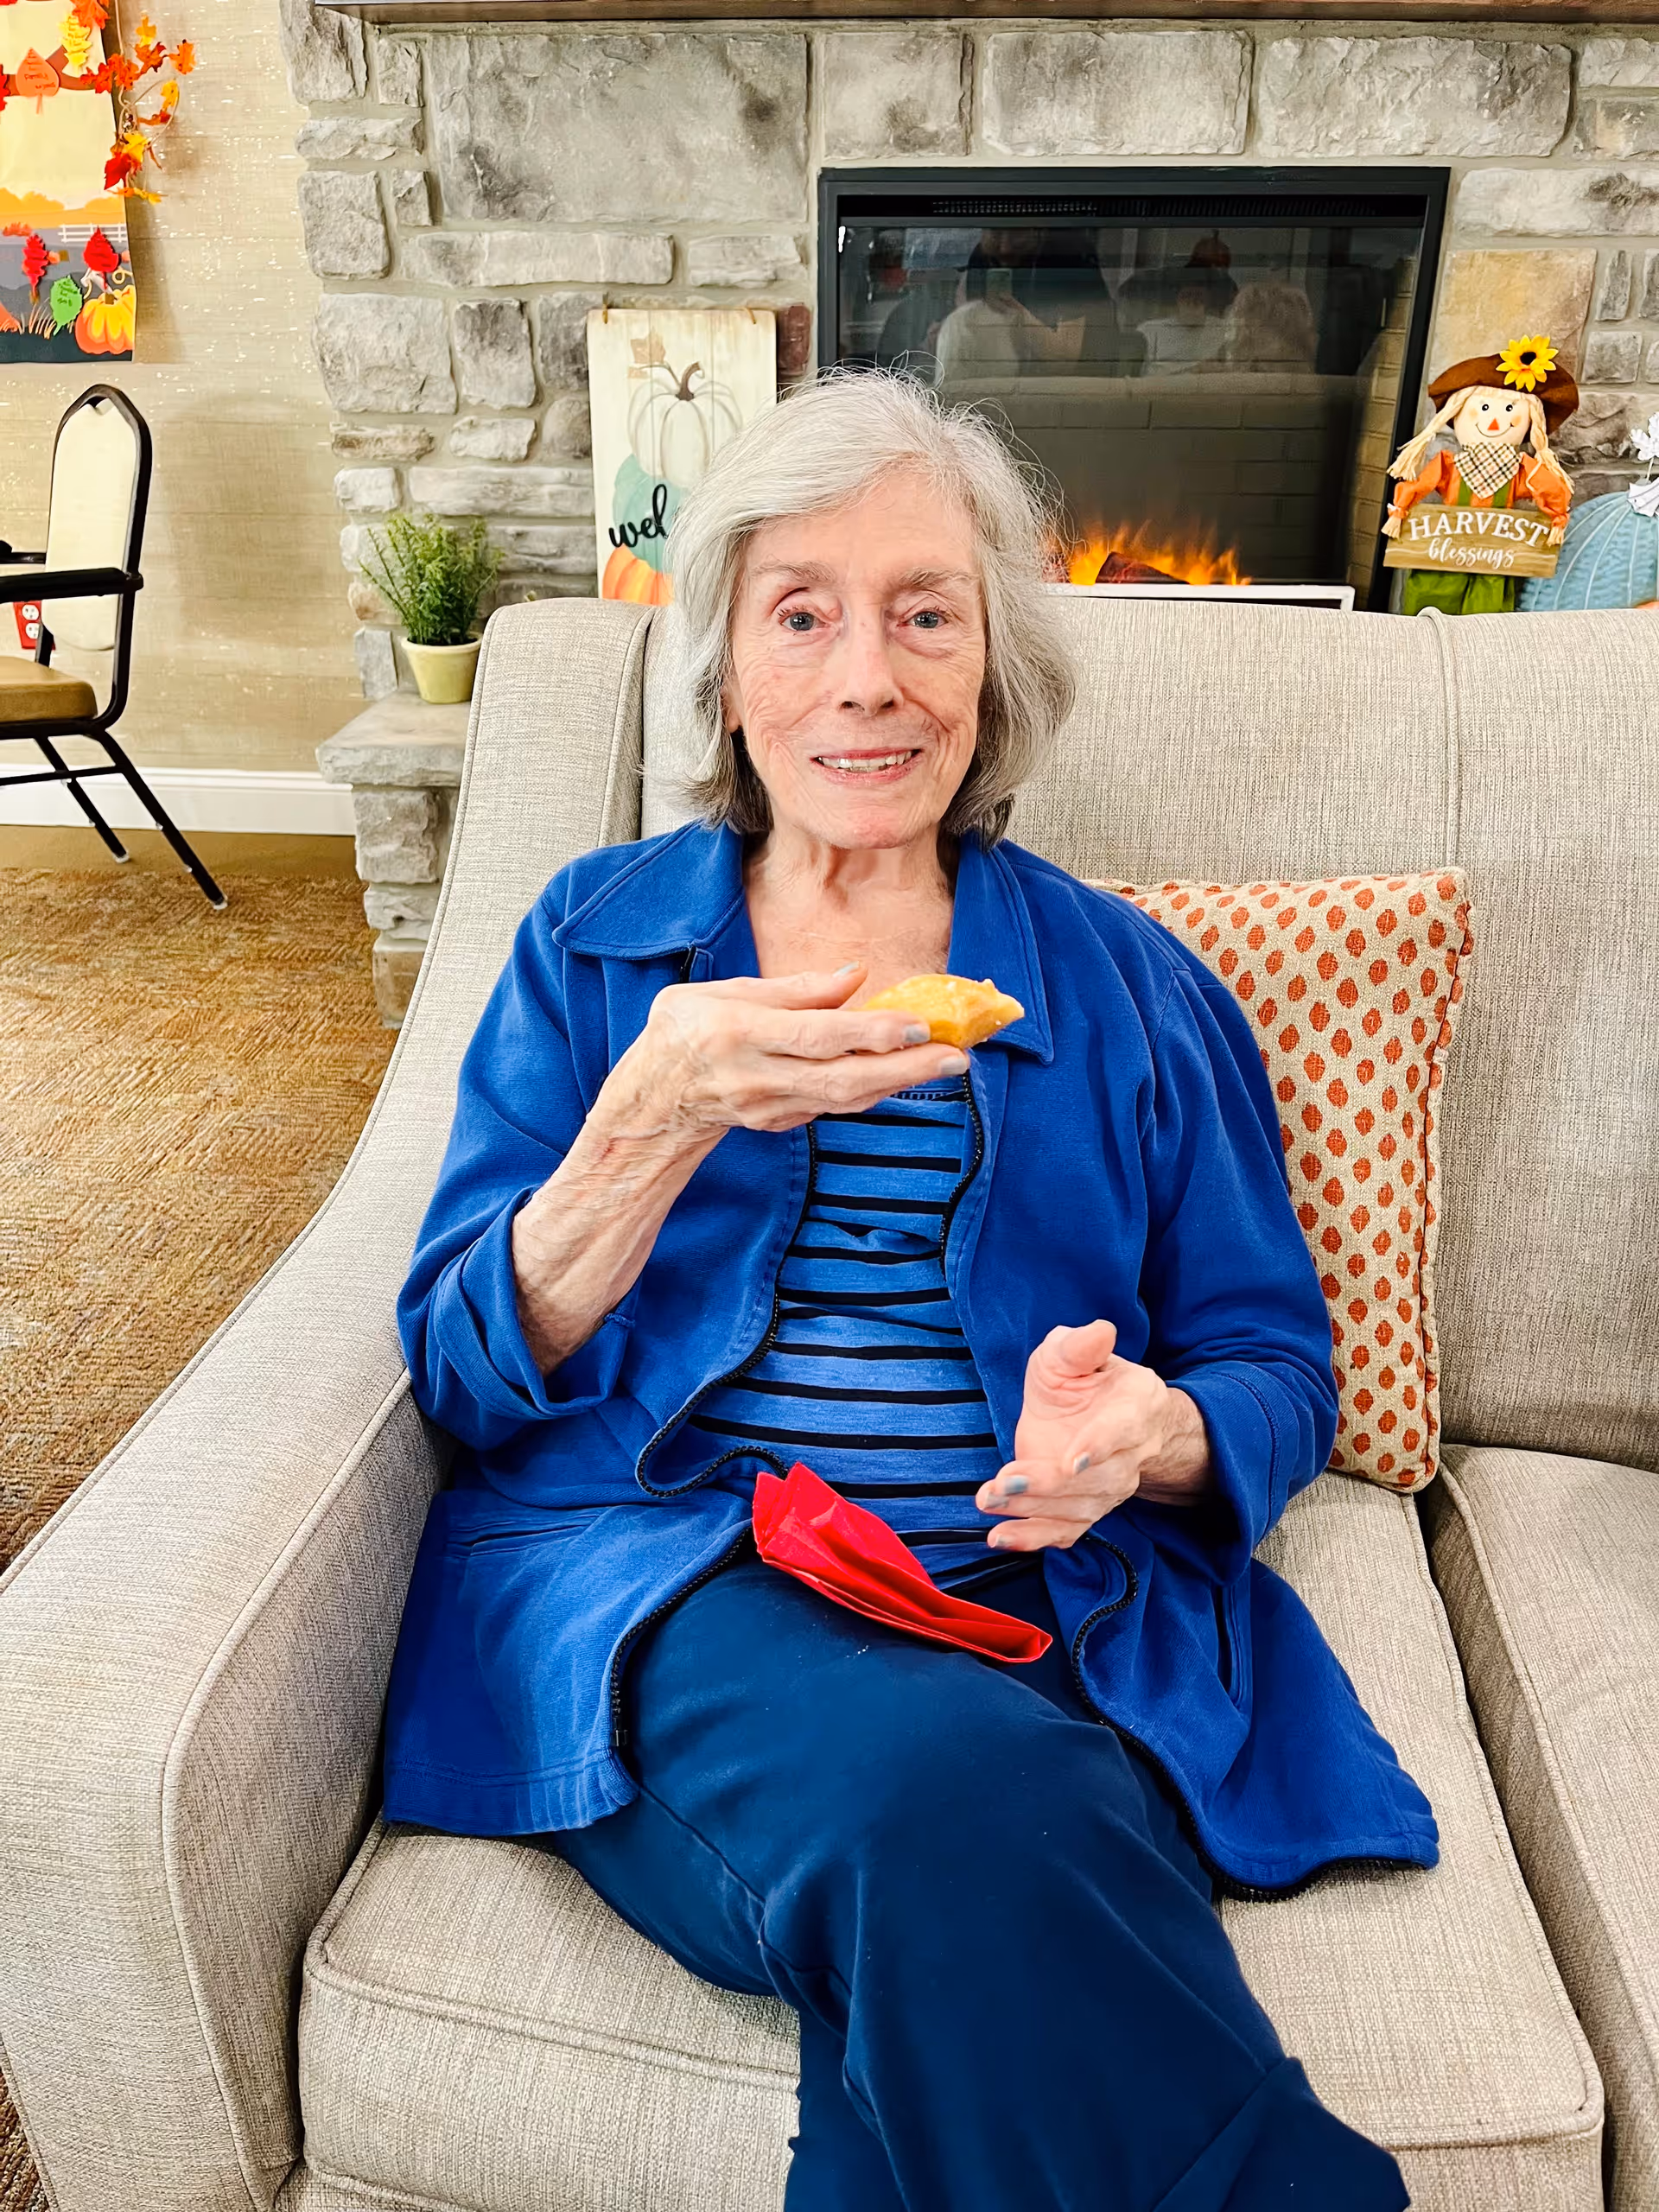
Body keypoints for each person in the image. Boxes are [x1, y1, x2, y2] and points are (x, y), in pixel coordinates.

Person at [385, 369, 1436, 2211]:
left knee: (953, 1887)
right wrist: (646, 1122)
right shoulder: (595, 947)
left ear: (989, 672)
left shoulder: (1136, 988)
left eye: (923, 613)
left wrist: (1156, 1431)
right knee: (962, 1790)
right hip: (675, 1580)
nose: (866, 675)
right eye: (804, 614)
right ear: (727, 670)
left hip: (1035, 1602)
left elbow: (1277, 1359)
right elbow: (464, 1369)